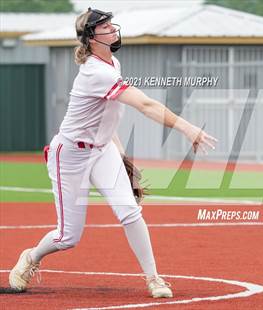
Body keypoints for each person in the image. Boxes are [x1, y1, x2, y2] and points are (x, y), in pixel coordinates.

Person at [9, 8, 217, 297]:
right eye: (105, 26)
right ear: (91, 38)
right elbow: (145, 105)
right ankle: (30, 258)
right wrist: (187, 128)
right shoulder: (96, 71)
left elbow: (108, 116)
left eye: (110, 24)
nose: (112, 29)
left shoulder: (112, 63)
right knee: (68, 237)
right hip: (70, 155)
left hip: (102, 149)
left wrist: (121, 156)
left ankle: (153, 278)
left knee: (130, 211)